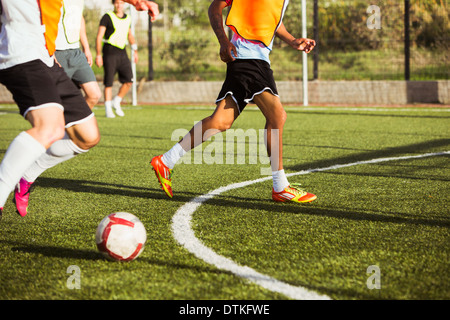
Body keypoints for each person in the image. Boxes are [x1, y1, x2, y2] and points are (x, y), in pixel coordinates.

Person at [0, 0, 159, 219]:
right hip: (20, 53)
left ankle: (26, 175)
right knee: (50, 127)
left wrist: (137, 1)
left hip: (46, 56)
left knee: (87, 136)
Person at [150, 0, 317, 204]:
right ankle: (280, 187)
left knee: (220, 121)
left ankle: (166, 161)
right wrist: (223, 41)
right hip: (249, 58)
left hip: (249, 58)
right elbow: (215, 7)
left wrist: (292, 41)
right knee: (277, 116)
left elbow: (271, 19)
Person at [54, 0, 101, 110]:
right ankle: (53, 126)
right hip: (57, 52)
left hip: (76, 52)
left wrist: (86, 48)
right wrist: (50, 53)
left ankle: (70, 123)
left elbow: (79, 19)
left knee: (94, 95)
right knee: (56, 101)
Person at [96, 0, 139, 118]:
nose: (119, 5)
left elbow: (130, 35)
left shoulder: (128, 18)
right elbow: (99, 36)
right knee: (109, 82)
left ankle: (117, 101)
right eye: (117, 3)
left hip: (122, 52)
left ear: (124, 4)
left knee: (129, 81)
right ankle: (108, 108)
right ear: (113, 4)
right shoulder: (107, 17)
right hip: (109, 51)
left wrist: (135, 50)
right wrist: (98, 54)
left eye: (121, 3)